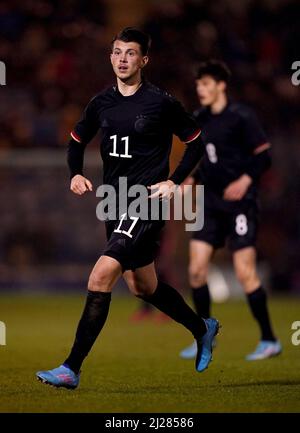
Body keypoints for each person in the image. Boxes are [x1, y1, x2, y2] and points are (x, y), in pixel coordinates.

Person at [36, 28, 219, 389]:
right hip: (113, 201)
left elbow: (196, 141)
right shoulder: (101, 103)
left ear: (143, 60)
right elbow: (76, 141)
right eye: (117, 52)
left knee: (100, 276)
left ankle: (71, 368)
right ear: (110, 57)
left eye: (130, 53)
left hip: (145, 201)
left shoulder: (160, 102)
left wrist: (175, 179)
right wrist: (74, 174)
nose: (122, 59)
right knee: (143, 286)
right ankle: (202, 328)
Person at [179, 60, 281, 361]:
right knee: (196, 270)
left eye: (206, 84)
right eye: (198, 85)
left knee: (244, 272)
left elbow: (264, 158)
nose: (201, 90)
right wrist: (191, 180)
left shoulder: (241, 117)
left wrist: (245, 179)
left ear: (221, 85)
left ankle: (269, 339)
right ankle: (204, 336)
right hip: (210, 204)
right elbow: (204, 160)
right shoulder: (199, 119)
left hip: (240, 203)